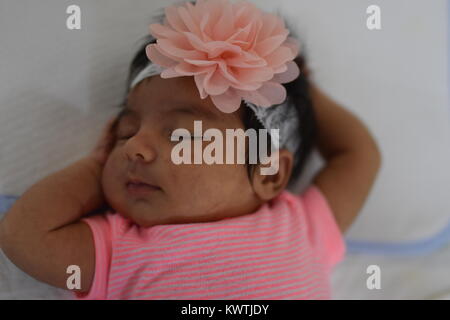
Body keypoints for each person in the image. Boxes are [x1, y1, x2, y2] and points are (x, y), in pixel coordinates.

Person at [0, 0, 381, 299]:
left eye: (182, 135)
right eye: (126, 131)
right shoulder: (122, 249)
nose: (135, 147)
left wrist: (292, 80)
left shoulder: (302, 227)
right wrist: (98, 164)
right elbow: (24, 234)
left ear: (270, 171)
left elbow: (358, 153)